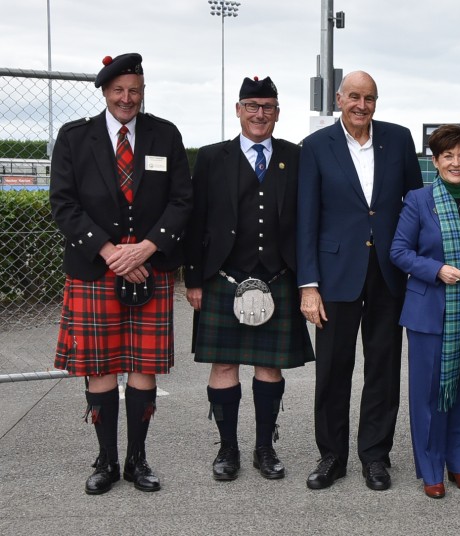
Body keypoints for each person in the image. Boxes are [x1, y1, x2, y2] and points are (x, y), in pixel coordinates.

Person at [49, 53, 192, 494]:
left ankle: (137, 460)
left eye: (134, 90)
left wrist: (146, 249)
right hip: (95, 270)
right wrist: (112, 253)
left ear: (142, 91)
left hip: (150, 266)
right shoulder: (75, 138)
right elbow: (63, 204)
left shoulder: (165, 135)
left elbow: (182, 201)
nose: (126, 98)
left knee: (144, 367)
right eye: (118, 91)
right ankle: (106, 460)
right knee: (102, 367)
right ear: (105, 92)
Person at [297, 70, 423, 491]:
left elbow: (415, 205)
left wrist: (414, 260)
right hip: (335, 275)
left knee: (383, 369)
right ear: (339, 99)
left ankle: (375, 456)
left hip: (388, 272)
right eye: (354, 97)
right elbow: (306, 220)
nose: (361, 105)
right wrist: (309, 284)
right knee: (333, 369)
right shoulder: (315, 147)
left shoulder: (399, 140)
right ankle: (331, 455)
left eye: (369, 98)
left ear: (376, 102)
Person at [184, 75, 314, 482]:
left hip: (278, 277)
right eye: (252, 106)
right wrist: (194, 279)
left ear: (278, 113)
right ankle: (227, 449)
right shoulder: (211, 157)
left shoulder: (296, 157)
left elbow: (308, 220)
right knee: (224, 364)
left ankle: (264, 448)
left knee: (269, 367)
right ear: (238, 110)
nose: (260, 114)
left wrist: (307, 280)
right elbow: (195, 220)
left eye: (268, 107)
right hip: (223, 276)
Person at [390, 125, 460, 498]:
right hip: (429, 314)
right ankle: (430, 468)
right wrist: (436, 270)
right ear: (435, 160)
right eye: (448, 156)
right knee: (429, 393)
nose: (456, 163)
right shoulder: (418, 201)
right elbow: (400, 251)